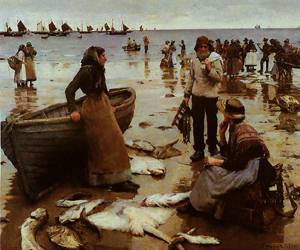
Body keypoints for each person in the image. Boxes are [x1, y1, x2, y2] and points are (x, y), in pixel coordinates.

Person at [188, 97, 273, 219]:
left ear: (229, 116)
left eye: (224, 113)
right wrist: (222, 135)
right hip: (246, 165)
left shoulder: (242, 131)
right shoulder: (236, 127)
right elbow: (229, 154)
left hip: (251, 171)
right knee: (214, 161)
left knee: (209, 171)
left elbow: (237, 164)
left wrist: (215, 162)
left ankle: (199, 207)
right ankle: (203, 203)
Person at [65, 46, 131, 186]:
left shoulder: (99, 69)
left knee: (116, 139)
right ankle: (102, 179)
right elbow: (69, 90)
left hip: (103, 105)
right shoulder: (85, 71)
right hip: (93, 108)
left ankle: (118, 178)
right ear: (96, 57)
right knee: (100, 144)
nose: (105, 58)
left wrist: (109, 105)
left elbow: (104, 90)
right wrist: (73, 111)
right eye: (103, 56)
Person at [183, 36, 223, 161]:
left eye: (205, 46)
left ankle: (212, 146)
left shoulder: (215, 59)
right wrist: (186, 95)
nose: (203, 49)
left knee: (212, 122)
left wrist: (210, 69)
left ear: (209, 48)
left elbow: (219, 78)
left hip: (211, 96)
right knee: (197, 123)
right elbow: (191, 78)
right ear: (197, 48)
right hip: (197, 97)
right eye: (200, 47)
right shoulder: (194, 61)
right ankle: (199, 150)